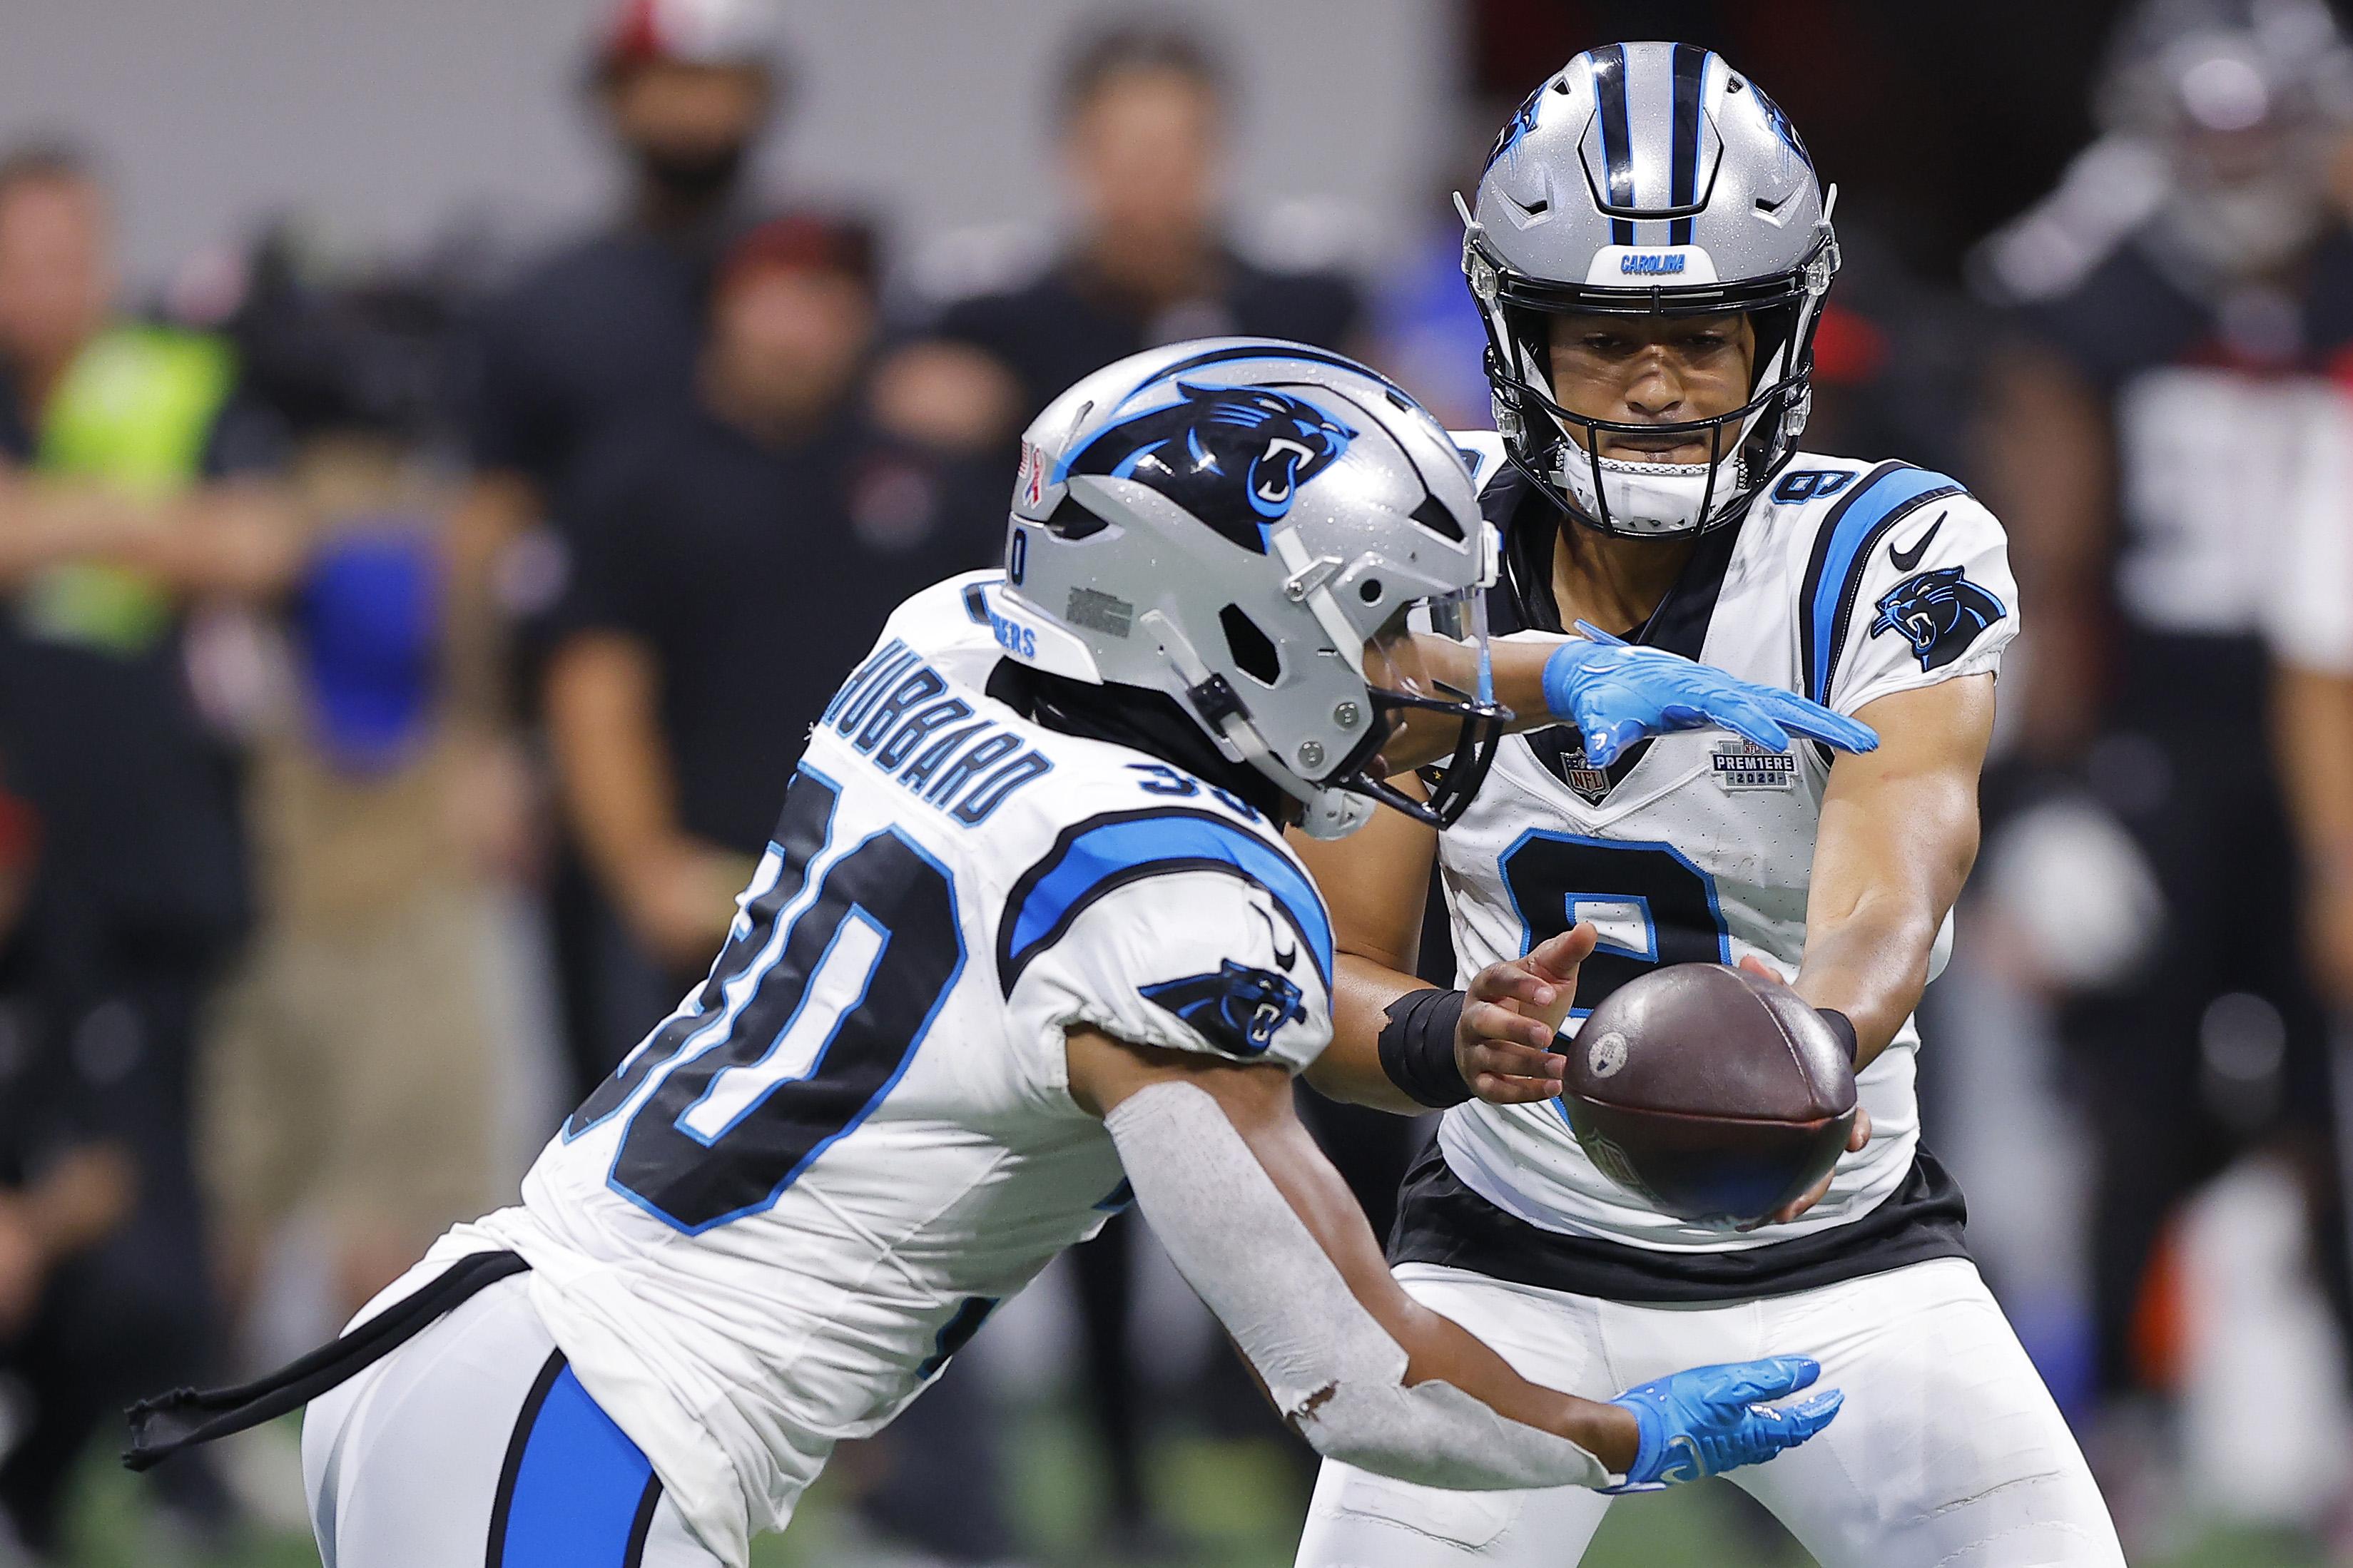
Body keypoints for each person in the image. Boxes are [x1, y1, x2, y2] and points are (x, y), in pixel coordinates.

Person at [123, 342, 1872, 1566]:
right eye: (1392, 619)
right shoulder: (1165, 895)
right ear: (1243, 616)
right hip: (594, 1423)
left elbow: (1099, 974)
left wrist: (1517, 748)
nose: (1428, 660)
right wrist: (1617, 1435)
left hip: (488, 1345)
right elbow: (1366, 1375)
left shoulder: (951, 640)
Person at [1286, 46, 2125, 1568]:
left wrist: (1801, 1045)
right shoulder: (1406, 554)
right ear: (1512, 334)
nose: (1658, 383)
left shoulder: (1883, 547)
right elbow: (1331, 969)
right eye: (1603, 338)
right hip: (1503, 1268)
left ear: (1781, 334)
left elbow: (1896, 881)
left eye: (1703, 334)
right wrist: (1443, 1037)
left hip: (1843, 1268)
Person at [1973, 0, 2353, 1420]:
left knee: (2326, 1112)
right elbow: (2043, 564)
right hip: (2158, 752)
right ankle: (2112, 1425)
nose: (2238, 163)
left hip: (2323, 747)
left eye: (2264, 129)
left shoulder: (2331, 281)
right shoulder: (2086, 288)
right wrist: (2045, 791)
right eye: (2208, 132)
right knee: (2138, 1106)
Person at [0, 143, 302, 1555]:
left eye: (69, 253)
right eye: (21, 254)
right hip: (13, 879)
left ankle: (156, 1458)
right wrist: (135, 522)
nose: (47, 282)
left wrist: (64, 520)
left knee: (153, 1202)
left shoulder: (177, 379)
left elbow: (261, 543)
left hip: (151, 869)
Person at [544, 212, 997, 999]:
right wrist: (645, 866)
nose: (804, 328)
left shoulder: (926, 479)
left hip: (904, 897)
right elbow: (595, 686)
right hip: (710, 893)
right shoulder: (638, 482)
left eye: (832, 301)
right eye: (778, 298)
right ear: (723, 307)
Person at [878, 21, 1363, 457]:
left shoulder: (1306, 321)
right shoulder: (992, 332)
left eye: (1177, 149)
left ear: (1222, 151)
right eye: (1128, 152)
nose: (1153, 180)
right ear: (1071, 155)